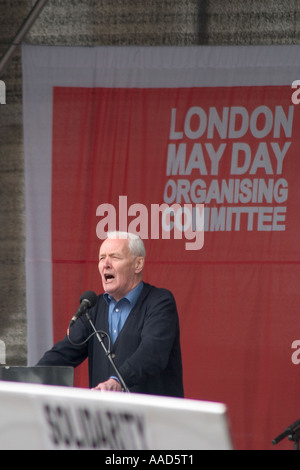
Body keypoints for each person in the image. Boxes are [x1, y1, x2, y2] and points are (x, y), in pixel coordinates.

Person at [37, 231, 184, 397]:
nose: (105, 264)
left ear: (138, 264)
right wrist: (28, 378)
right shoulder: (93, 308)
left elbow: (152, 352)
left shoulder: (160, 302)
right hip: (106, 419)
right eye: (101, 258)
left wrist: (117, 381)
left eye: (114, 257)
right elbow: (63, 354)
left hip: (152, 418)